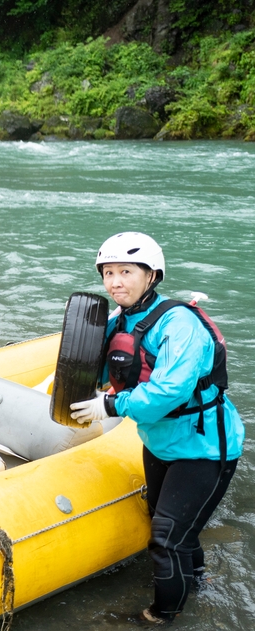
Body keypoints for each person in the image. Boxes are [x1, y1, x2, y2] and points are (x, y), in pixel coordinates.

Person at [70, 232, 244, 625]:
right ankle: (198, 582)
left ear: (151, 275)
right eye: (108, 273)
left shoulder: (179, 324)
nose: (115, 282)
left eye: (126, 272)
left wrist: (109, 405)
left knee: (166, 539)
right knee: (173, 528)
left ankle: (161, 617)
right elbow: (104, 368)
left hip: (204, 447)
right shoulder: (120, 320)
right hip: (160, 441)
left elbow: (169, 391)